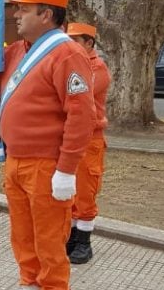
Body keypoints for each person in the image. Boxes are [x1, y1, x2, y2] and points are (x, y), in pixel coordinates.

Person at [0, 0, 96, 290]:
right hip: (15, 161)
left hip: (46, 166)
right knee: (23, 237)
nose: (16, 15)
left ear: (46, 14)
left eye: (24, 10)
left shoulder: (67, 53)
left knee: (50, 242)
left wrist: (66, 169)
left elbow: (81, 116)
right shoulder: (17, 50)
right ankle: (29, 282)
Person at [66, 22, 111, 265]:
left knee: (85, 189)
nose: (69, 45)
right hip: (70, 136)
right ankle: (72, 237)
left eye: (74, 40)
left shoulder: (97, 68)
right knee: (70, 190)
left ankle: (84, 241)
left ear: (89, 43)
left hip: (90, 138)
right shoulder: (72, 65)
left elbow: (77, 97)